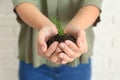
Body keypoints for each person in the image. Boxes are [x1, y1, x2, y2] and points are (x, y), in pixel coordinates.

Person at [12, 0, 102, 80]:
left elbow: (93, 3)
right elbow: (22, 2)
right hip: (33, 61)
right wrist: (44, 25)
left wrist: (77, 26)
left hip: (78, 60)